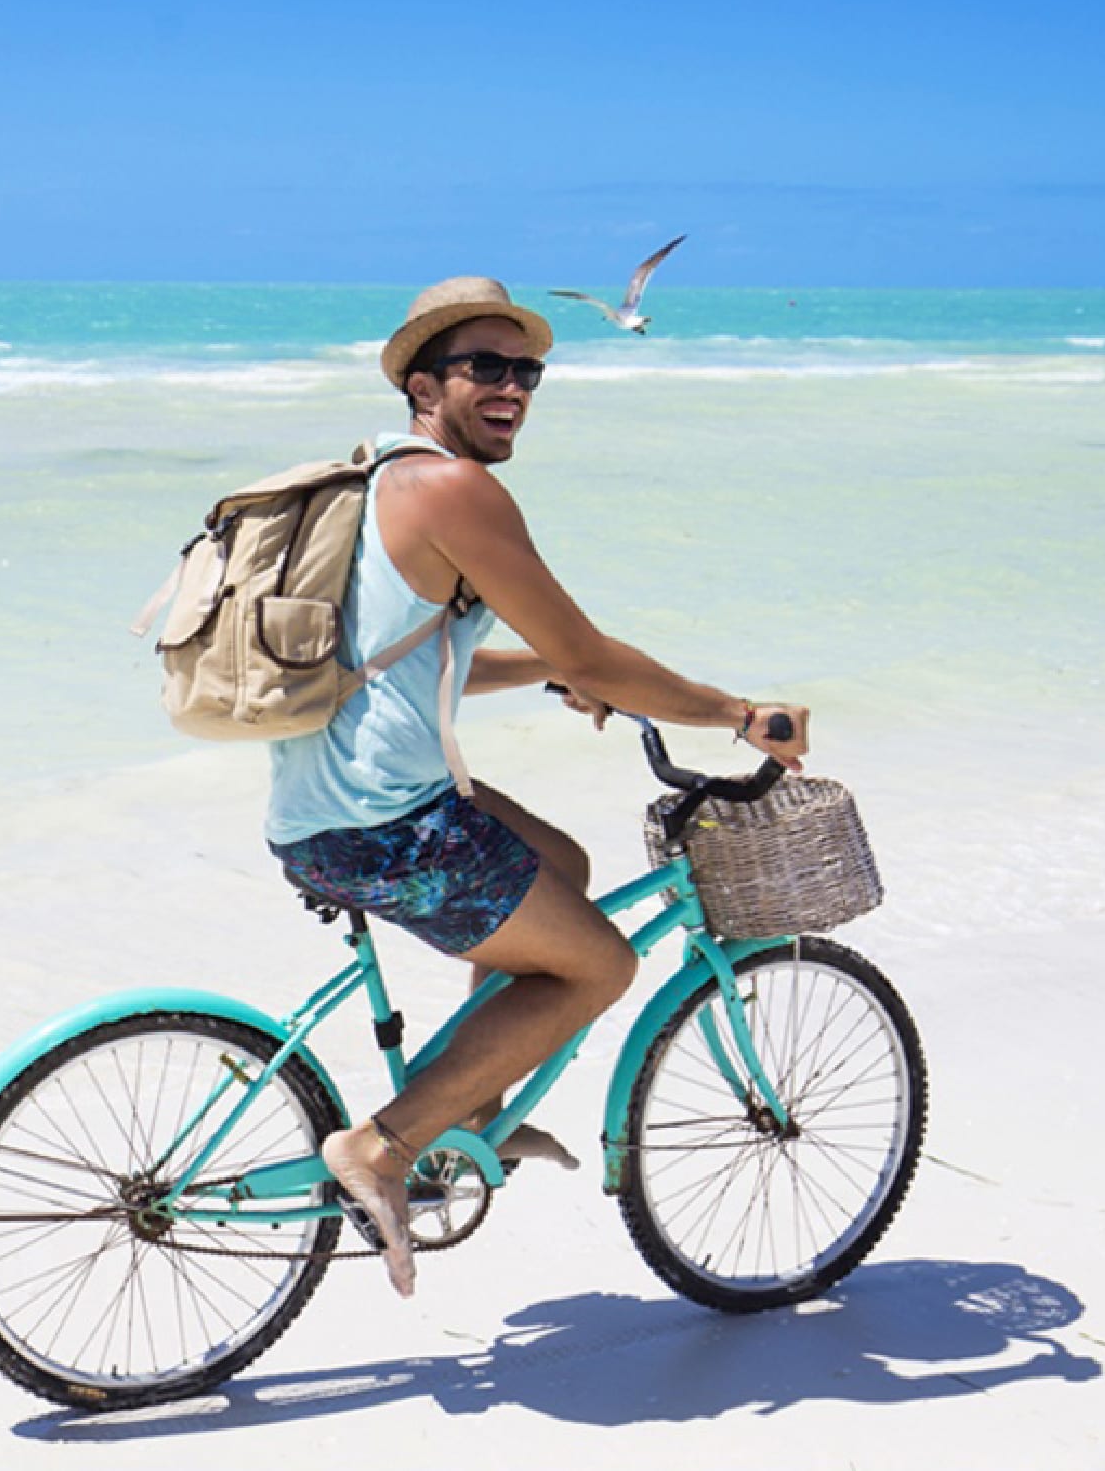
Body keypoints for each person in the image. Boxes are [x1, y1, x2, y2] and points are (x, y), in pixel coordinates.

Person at [266, 275, 812, 1298]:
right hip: (385, 826)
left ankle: (467, 1112)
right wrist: (738, 712)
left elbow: (427, 658)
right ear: (424, 383)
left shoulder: (380, 481)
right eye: (485, 366)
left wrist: (551, 672)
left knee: (559, 861)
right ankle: (381, 1147)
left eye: (528, 369)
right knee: (597, 966)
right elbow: (590, 650)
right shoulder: (454, 488)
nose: (513, 384)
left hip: (324, 810)